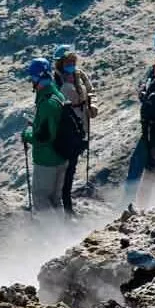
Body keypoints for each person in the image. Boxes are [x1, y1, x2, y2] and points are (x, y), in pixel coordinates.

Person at [21, 58, 71, 212]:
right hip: (61, 157)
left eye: (32, 78)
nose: (31, 81)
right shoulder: (58, 95)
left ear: (37, 78)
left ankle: (54, 235)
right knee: (55, 200)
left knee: (41, 199)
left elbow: (43, 137)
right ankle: (65, 232)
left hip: (47, 160)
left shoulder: (47, 103)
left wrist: (27, 134)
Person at [52, 44, 96, 213]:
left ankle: (66, 203)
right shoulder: (56, 81)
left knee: (72, 165)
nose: (71, 64)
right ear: (60, 63)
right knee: (66, 168)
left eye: (73, 61)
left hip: (81, 122)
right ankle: (64, 205)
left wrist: (92, 104)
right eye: (67, 61)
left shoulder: (78, 75)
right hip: (67, 128)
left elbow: (91, 90)